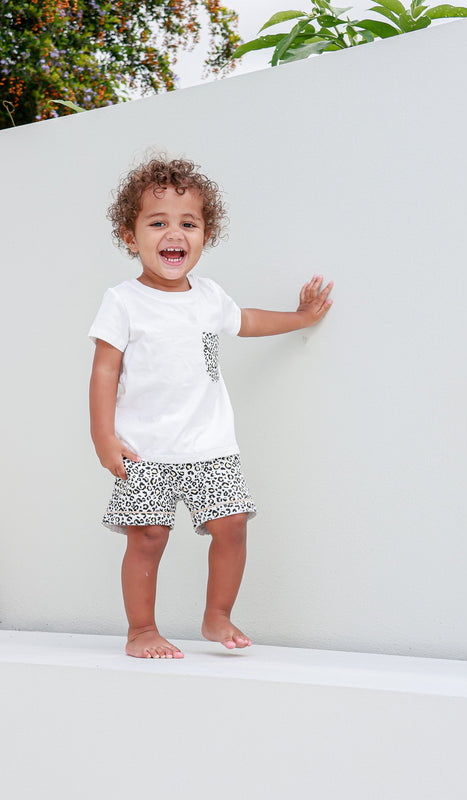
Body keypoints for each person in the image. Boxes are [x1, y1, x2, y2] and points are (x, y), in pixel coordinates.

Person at [89, 156, 333, 659]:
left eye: (188, 223)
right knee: (148, 537)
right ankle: (140, 631)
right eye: (157, 223)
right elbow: (104, 372)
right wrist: (103, 437)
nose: (173, 233)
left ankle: (216, 614)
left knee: (233, 523)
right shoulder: (123, 301)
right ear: (130, 236)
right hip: (144, 449)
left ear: (205, 234)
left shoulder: (208, 296)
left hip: (210, 445)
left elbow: (247, 322)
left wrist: (302, 316)